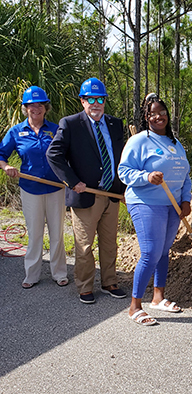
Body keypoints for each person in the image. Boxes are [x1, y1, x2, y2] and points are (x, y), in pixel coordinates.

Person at [46, 78, 127, 304]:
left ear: (104, 101)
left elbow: (120, 157)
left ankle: (110, 281)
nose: (95, 103)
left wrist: (123, 188)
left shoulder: (114, 124)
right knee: (84, 246)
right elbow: (54, 155)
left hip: (111, 195)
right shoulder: (70, 124)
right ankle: (85, 286)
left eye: (99, 99)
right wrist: (72, 182)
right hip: (85, 195)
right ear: (82, 101)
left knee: (110, 242)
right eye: (90, 99)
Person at [118, 94, 192, 325]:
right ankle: (134, 306)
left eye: (162, 112)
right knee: (150, 252)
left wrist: (187, 200)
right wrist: (146, 176)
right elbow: (124, 171)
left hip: (172, 205)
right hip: (146, 202)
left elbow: (185, 175)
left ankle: (158, 297)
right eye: (152, 113)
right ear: (146, 117)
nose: (158, 116)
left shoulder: (175, 143)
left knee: (163, 251)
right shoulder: (139, 141)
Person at [0, 86, 67, 289]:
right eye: (31, 105)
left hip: (56, 188)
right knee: (35, 233)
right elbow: (1, 155)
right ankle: (32, 274)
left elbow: (68, 155)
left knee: (57, 233)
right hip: (30, 189)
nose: (35, 108)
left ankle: (60, 273)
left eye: (39, 105)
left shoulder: (56, 130)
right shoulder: (16, 131)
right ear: (25, 108)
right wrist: (7, 166)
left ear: (46, 107)